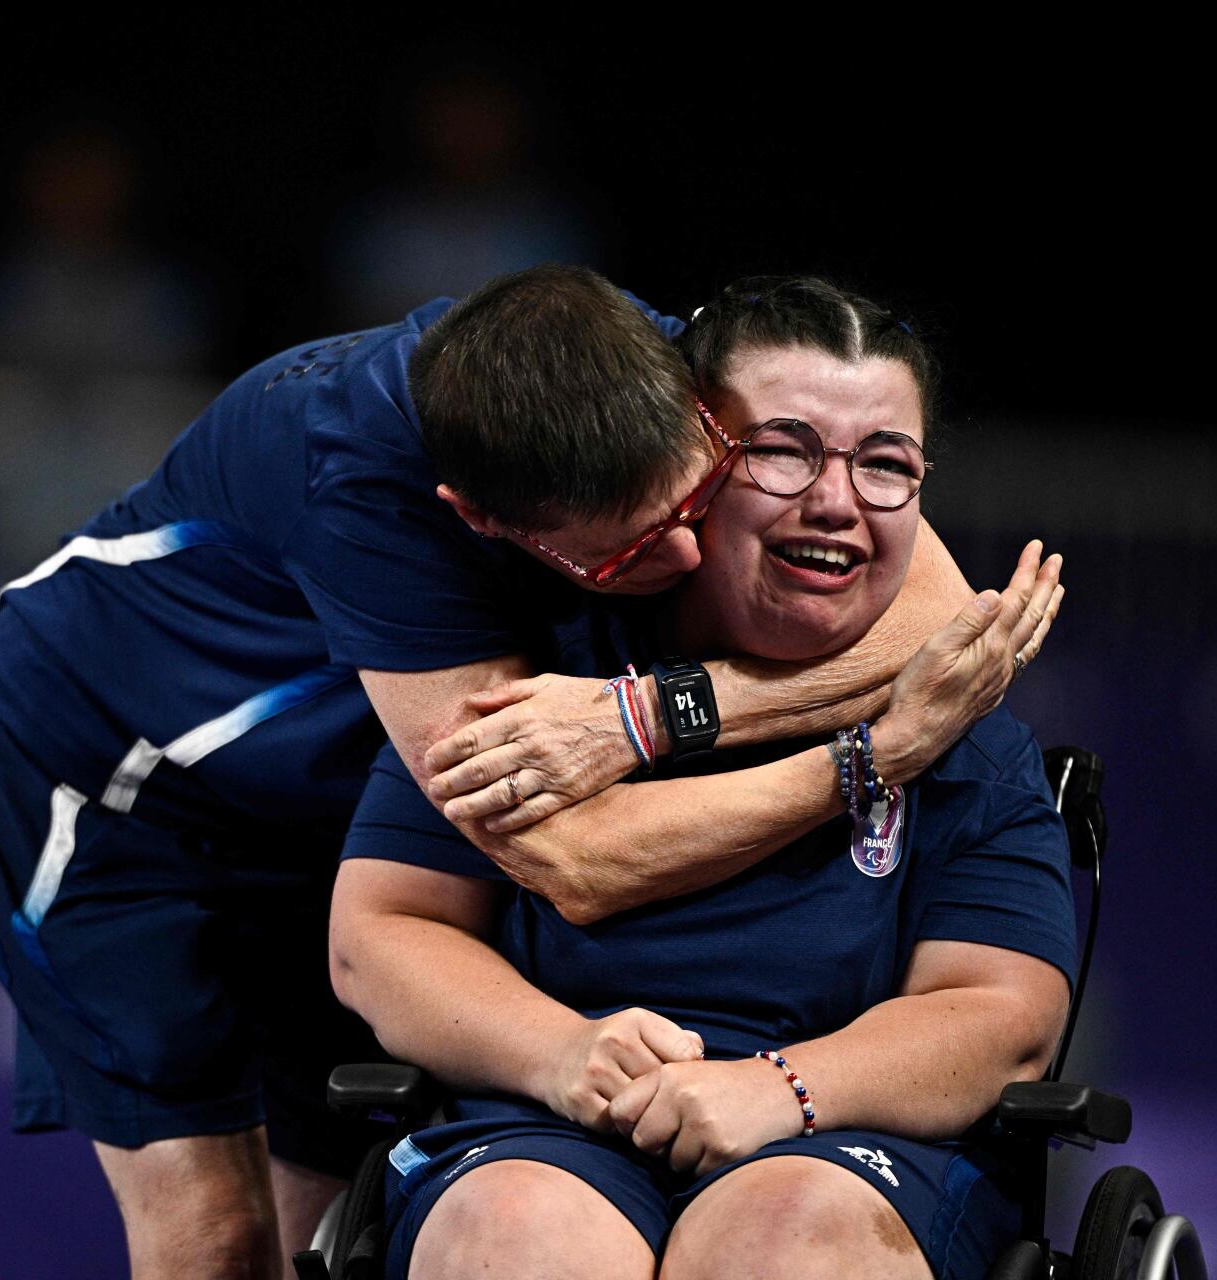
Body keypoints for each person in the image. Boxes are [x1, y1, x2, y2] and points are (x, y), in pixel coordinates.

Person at [0, 265, 1049, 1278]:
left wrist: (652, 714)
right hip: (117, 797)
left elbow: (953, 617)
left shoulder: (672, 364)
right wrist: (860, 757)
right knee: (218, 1235)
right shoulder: (379, 511)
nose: (682, 556)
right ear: (484, 524)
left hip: (324, 792)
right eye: (628, 555)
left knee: (317, 1216)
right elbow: (573, 862)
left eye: (698, 498)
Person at [329, 277, 1075, 1280]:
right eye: (782, 449)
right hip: (550, 1120)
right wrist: (560, 1054)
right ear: (691, 459)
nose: (838, 500)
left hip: (847, 1145)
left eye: (887, 464)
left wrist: (785, 1087)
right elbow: (384, 935)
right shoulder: (532, 686)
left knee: (786, 1231)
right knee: (514, 1229)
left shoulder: (966, 735)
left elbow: (1001, 1014)